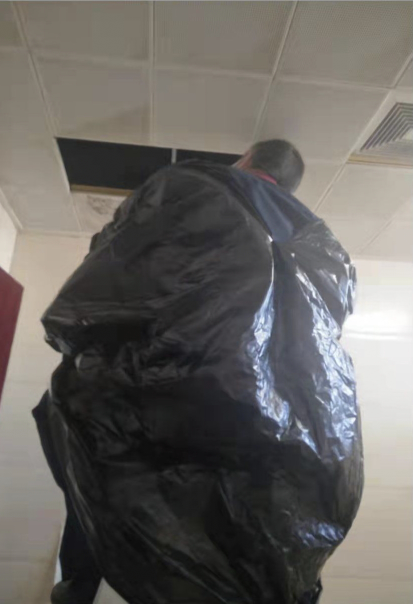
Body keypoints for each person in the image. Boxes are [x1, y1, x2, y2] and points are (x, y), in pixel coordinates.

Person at [34, 140, 362, 604]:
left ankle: (81, 585)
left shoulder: (187, 185)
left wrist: (83, 345)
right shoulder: (326, 250)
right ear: (289, 188)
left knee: (94, 455)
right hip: (288, 431)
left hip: (167, 398)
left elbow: (112, 272)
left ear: (245, 159)